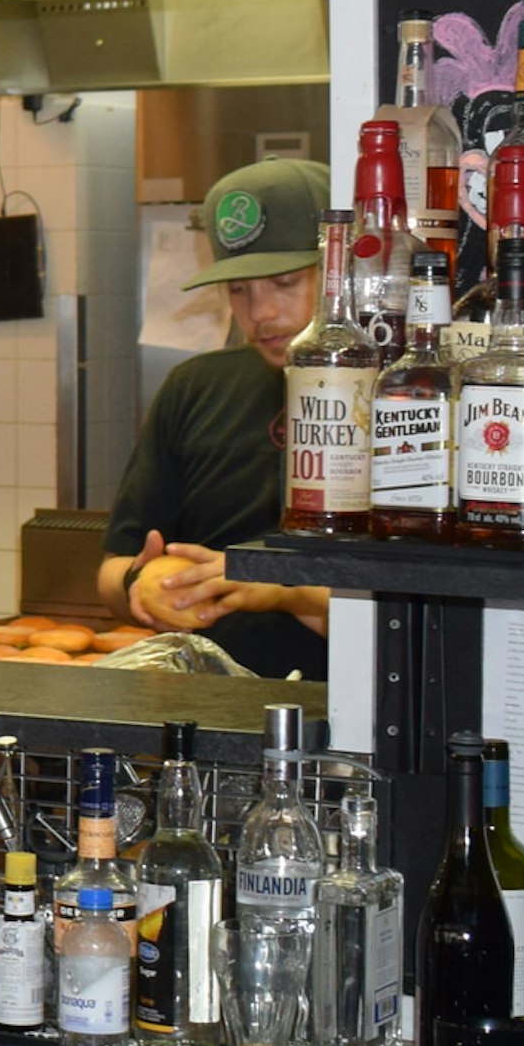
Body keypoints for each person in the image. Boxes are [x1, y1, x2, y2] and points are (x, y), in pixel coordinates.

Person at [99, 155, 334, 679]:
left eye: (285, 281)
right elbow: (114, 570)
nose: (260, 313)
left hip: (340, 715)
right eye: (239, 290)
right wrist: (144, 586)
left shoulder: (408, 399)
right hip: (205, 716)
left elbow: (423, 611)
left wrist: (281, 589)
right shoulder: (196, 388)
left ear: (342, 268)